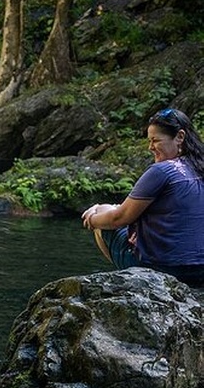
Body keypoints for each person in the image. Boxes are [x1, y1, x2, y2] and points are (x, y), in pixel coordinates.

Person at [82, 107, 204, 286]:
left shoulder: (162, 171)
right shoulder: (199, 168)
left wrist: (92, 218)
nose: (150, 147)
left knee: (103, 212)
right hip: (200, 272)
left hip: (163, 270)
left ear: (180, 137)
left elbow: (119, 219)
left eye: (155, 141)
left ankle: (131, 281)